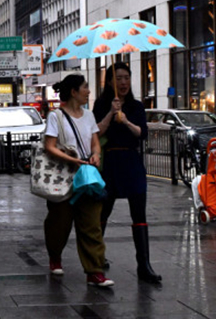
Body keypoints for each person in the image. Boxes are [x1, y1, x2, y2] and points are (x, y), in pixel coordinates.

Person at [93, 62, 161, 284]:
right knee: (103, 212)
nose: (123, 82)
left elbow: (142, 133)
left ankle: (144, 265)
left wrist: (125, 120)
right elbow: (95, 132)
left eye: (126, 77)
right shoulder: (102, 103)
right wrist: (111, 115)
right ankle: (96, 258)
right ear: (110, 81)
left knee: (139, 214)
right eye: (118, 78)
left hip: (131, 162)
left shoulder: (136, 105)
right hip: (109, 162)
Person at [43, 74, 113, 287]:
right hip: (63, 177)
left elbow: (95, 142)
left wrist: (96, 155)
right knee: (60, 223)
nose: (88, 91)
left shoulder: (89, 116)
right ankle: (55, 255)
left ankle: (94, 271)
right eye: (85, 87)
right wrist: (72, 160)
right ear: (73, 92)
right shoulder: (56, 117)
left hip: (87, 176)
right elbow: (50, 146)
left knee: (91, 224)